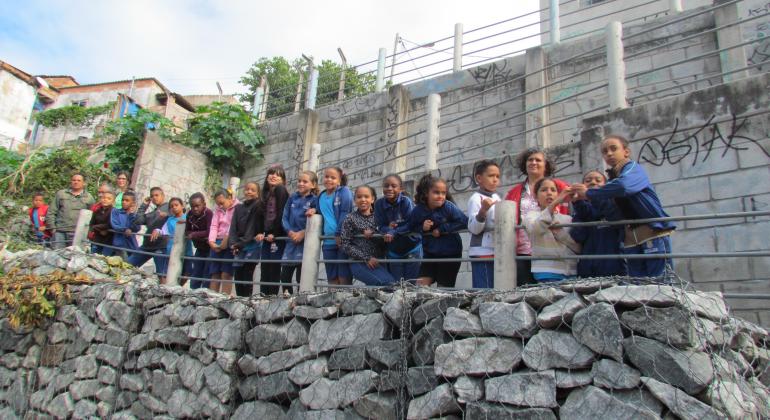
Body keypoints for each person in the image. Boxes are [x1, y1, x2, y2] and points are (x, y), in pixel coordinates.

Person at [572, 134, 675, 278]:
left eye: (613, 149)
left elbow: (624, 186)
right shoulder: (612, 180)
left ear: (626, 151)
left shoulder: (632, 168)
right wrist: (580, 200)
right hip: (630, 237)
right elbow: (612, 213)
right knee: (637, 283)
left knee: (660, 280)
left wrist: (590, 193)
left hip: (651, 231)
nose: (609, 153)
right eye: (604, 151)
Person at [504, 148, 569, 285]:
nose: (533, 162)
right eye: (530, 160)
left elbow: (567, 213)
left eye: (538, 160)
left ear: (546, 165)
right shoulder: (514, 191)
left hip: (551, 249)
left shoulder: (560, 186)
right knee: (525, 291)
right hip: (524, 250)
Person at [403, 174, 468, 288]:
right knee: (420, 286)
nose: (441, 196)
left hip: (450, 253)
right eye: (436, 192)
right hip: (430, 253)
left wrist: (442, 229)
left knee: (443, 290)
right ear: (426, 193)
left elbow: (464, 222)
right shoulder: (418, 210)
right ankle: (421, 306)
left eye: (443, 193)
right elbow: (410, 226)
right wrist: (422, 228)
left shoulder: (449, 207)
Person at [523, 178, 581, 282]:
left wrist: (560, 233)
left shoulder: (568, 219)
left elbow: (578, 248)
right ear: (536, 196)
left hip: (571, 272)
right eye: (544, 190)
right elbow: (535, 229)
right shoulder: (531, 216)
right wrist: (556, 202)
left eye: (553, 190)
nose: (549, 193)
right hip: (546, 271)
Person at [569, 170, 626, 277]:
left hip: (614, 266)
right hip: (587, 267)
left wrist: (594, 196)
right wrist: (578, 202)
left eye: (598, 180)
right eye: (588, 180)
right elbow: (578, 236)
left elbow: (613, 216)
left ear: (606, 185)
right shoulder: (580, 210)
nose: (593, 182)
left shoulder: (614, 204)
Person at [340, 185, 396, 286]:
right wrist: (367, 258)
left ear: (373, 199)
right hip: (360, 262)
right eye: (359, 197)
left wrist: (377, 232)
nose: (363, 200)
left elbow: (387, 236)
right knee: (389, 283)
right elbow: (345, 244)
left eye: (366, 196)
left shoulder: (380, 217)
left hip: (381, 261)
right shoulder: (350, 218)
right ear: (355, 199)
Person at [307, 167, 353, 286]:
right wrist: (313, 210)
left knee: (344, 273)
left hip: (342, 239)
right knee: (331, 275)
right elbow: (319, 210)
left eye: (333, 178)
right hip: (327, 241)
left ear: (339, 180)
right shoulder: (321, 196)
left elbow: (345, 213)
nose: (329, 179)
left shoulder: (344, 191)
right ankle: (333, 302)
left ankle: (345, 299)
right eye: (326, 177)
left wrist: (339, 233)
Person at [374, 174, 421, 282]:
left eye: (394, 186)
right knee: (397, 285)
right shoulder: (378, 204)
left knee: (411, 284)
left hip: (412, 248)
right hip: (393, 250)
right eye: (386, 186)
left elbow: (410, 224)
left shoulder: (406, 202)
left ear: (401, 189)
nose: (389, 188)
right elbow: (380, 225)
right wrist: (388, 230)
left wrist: (393, 231)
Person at [280, 171, 318, 289]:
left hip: (305, 242)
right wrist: (290, 232)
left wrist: (303, 232)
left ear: (313, 185)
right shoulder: (292, 197)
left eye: (305, 181)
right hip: (291, 240)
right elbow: (284, 217)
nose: (301, 183)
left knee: (300, 277)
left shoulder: (315, 200)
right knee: (285, 276)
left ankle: (299, 303)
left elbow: (317, 220)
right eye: (299, 181)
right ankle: (288, 301)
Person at [467, 160, 501, 289]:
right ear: (479, 178)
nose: (495, 180)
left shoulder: (497, 197)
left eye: (497, 176)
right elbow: (474, 229)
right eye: (491, 176)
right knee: (484, 291)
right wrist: (483, 210)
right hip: (482, 251)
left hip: (497, 251)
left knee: (496, 290)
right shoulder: (476, 199)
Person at [256, 165, 290, 295]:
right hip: (267, 236)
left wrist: (274, 233)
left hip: (277, 236)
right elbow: (261, 216)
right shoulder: (265, 194)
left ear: (283, 180)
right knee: (265, 267)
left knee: (273, 268)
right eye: (271, 173)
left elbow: (281, 212)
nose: (273, 176)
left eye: (278, 175)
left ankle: (271, 298)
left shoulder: (280, 190)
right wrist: (260, 232)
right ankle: (263, 296)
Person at [230, 182, 263, 297]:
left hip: (252, 245)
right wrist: (233, 244)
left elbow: (253, 227)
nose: (249, 192)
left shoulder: (258, 205)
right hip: (239, 245)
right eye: (247, 189)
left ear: (258, 193)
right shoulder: (238, 207)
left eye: (253, 190)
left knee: (247, 274)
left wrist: (240, 244)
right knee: (238, 275)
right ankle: (239, 299)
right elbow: (233, 227)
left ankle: (247, 301)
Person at [128, 187, 170, 273]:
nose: (154, 197)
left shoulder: (170, 207)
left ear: (163, 196)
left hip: (161, 246)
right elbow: (138, 220)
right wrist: (144, 205)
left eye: (156, 195)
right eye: (152, 196)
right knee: (128, 266)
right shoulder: (152, 213)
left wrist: (166, 215)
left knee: (162, 274)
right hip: (147, 245)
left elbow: (178, 216)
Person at [48, 173, 95, 249]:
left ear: (83, 183)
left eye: (79, 180)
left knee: (75, 256)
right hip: (60, 231)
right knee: (58, 255)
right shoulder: (61, 194)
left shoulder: (89, 198)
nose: (76, 182)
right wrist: (52, 229)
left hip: (78, 233)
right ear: (71, 181)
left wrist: (87, 232)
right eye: (74, 180)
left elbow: (93, 216)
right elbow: (51, 211)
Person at [208, 189, 238, 295]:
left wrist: (226, 240)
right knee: (214, 273)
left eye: (222, 203)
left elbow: (233, 224)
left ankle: (224, 299)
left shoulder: (238, 207)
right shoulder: (217, 210)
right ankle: (212, 298)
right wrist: (211, 241)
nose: (220, 206)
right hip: (217, 241)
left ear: (229, 198)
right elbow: (214, 225)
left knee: (226, 273)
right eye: (218, 204)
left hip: (230, 241)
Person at [156, 197, 190, 284]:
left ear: (182, 206)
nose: (174, 207)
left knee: (187, 273)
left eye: (176, 205)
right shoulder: (170, 220)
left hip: (186, 250)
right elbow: (163, 231)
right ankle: (169, 289)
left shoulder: (188, 218)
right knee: (171, 271)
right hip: (172, 249)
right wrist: (157, 230)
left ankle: (178, 288)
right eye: (172, 206)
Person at [185, 192, 214, 289]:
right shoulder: (190, 214)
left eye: (197, 206)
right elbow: (187, 230)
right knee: (196, 272)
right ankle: (193, 294)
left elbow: (210, 231)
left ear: (204, 205)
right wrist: (192, 234)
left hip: (210, 248)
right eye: (193, 206)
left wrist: (194, 234)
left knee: (207, 272)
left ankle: (204, 295)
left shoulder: (209, 213)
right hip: (199, 248)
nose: (195, 209)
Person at [111, 191, 139, 259]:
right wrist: (125, 229)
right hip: (119, 244)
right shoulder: (116, 211)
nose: (124, 202)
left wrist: (131, 215)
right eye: (122, 200)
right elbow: (115, 225)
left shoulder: (135, 215)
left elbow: (137, 228)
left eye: (127, 200)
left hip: (131, 245)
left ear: (133, 203)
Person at [88, 190, 116, 256]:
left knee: (104, 259)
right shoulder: (97, 211)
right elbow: (91, 223)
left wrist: (96, 227)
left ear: (113, 201)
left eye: (109, 198)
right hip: (97, 238)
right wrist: (97, 229)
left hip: (109, 240)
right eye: (103, 198)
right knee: (93, 257)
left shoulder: (114, 211)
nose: (105, 200)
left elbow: (110, 224)